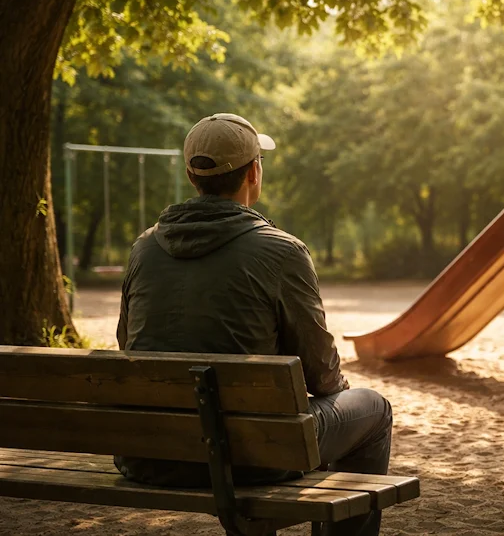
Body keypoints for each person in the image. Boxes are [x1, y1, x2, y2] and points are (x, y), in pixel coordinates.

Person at [115, 113, 391, 536]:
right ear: (253, 172)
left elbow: (127, 344)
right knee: (373, 410)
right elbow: (321, 374)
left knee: (252, 425)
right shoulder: (281, 251)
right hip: (252, 458)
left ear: (192, 175)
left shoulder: (143, 249)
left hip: (152, 455)